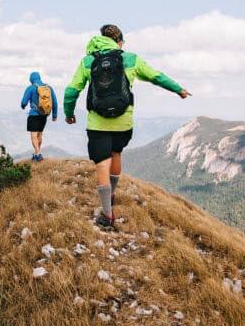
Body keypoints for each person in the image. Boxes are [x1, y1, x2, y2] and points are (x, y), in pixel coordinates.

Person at [64, 24, 190, 228]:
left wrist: (69, 113)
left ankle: (107, 214)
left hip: (98, 123)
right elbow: (156, 76)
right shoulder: (130, 59)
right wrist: (178, 89)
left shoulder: (88, 61)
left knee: (102, 163)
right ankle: (111, 196)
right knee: (116, 155)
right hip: (123, 121)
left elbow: (71, 91)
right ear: (119, 41)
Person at [21, 70, 58, 161]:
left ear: (31, 79)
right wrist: (54, 115)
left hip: (34, 115)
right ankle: (36, 153)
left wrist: (23, 106)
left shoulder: (30, 88)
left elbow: (23, 102)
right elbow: (55, 102)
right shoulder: (48, 87)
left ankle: (38, 154)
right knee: (39, 135)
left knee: (34, 136)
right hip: (44, 115)